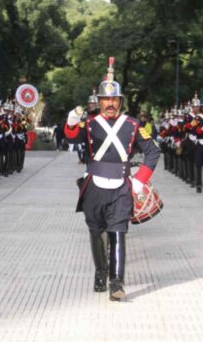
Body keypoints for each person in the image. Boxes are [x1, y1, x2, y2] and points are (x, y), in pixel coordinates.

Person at [63, 57, 160, 301]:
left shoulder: (134, 124)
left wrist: (139, 180)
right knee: (96, 232)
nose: (109, 104)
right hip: (94, 185)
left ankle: (117, 283)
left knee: (118, 232)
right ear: (100, 101)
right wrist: (72, 119)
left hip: (121, 186)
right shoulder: (89, 124)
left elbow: (152, 151)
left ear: (119, 102)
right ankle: (101, 272)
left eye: (114, 99)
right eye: (105, 99)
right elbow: (70, 136)